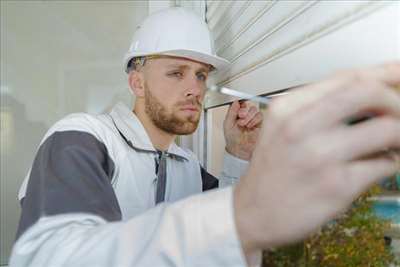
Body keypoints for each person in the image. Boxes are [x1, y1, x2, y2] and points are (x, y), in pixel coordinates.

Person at [10, 7, 400, 267]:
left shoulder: (188, 167)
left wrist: (238, 155)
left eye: (201, 75)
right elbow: (47, 256)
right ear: (136, 82)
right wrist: (244, 213)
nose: (195, 88)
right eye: (176, 73)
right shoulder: (83, 137)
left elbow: (220, 246)